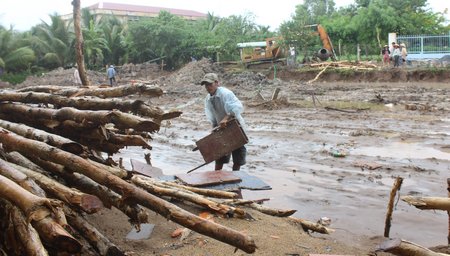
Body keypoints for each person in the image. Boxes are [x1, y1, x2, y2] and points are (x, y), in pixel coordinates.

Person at [201, 73, 247, 171]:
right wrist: (213, 129)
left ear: (217, 83)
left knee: (237, 156)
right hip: (221, 128)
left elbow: (236, 108)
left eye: (210, 84)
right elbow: (212, 116)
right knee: (219, 155)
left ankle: (235, 177)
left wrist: (226, 118)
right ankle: (216, 177)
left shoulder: (225, 93)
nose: (208, 87)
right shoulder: (208, 99)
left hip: (235, 127)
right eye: (206, 85)